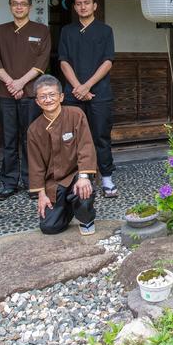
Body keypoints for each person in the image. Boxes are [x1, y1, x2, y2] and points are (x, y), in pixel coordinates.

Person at [0, 0, 51, 201]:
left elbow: (41, 62)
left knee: (30, 139)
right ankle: (9, 183)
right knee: (9, 139)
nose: (19, 7)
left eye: (23, 4)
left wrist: (21, 82)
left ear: (30, 7)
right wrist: (11, 83)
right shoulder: (0, 31)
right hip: (7, 93)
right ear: (10, 6)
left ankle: (32, 182)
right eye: (15, 3)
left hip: (31, 94)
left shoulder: (41, 31)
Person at [58, 0, 117, 197]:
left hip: (99, 92)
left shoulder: (105, 30)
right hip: (73, 92)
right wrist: (78, 88)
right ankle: (77, 178)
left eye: (86, 2)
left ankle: (107, 178)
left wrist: (87, 86)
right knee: (72, 137)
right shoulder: (67, 31)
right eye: (78, 3)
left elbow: (108, 61)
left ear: (94, 6)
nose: (82, 6)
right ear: (74, 7)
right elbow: (63, 61)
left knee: (101, 136)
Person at [27, 75, 97, 235]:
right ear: (37, 101)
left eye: (52, 95)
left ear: (61, 97)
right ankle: (68, 207)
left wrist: (84, 176)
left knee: (83, 191)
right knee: (49, 227)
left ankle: (85, 216)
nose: (48, 99)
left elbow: (85, 146)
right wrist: (41, 194)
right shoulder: (34, 129)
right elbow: (35, 165)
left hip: (76, 174)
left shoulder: (76, 114)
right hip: (54, 182)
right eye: (43, 96)